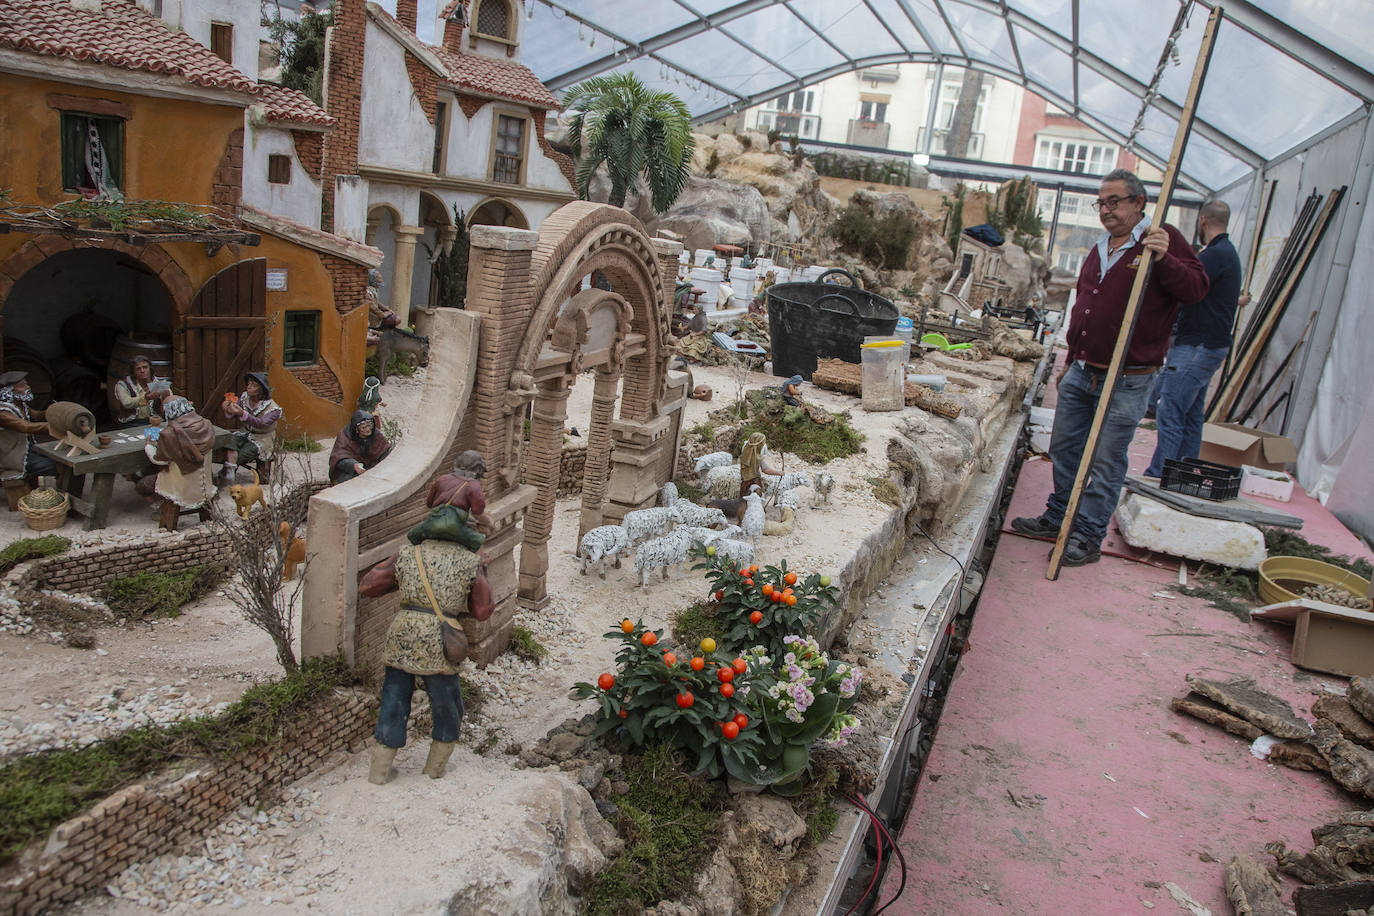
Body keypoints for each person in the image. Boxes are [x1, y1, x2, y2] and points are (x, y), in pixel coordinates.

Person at [1011, 169, 1209, 566]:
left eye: (1114, 201)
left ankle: (1086, 534)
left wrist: (1164, 257)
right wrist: (1070, 359)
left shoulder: (1160, 238)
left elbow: (1196, 289)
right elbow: (1085, 304)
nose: (1106, 210)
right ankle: (1060, 514)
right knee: (1065, 446)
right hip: (1084, 369)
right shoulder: (1101, 247)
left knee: (1106, 458)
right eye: (1100, 202)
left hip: (1127, 377)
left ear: (1138, 202)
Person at [359, 450, 494, 784]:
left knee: (393, 699)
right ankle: (434, 770)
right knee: (447, 703)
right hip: (440, 639)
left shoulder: (407, 554)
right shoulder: (469, 562)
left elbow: (369, 586)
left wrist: (405, 584)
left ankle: (379, 771)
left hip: (403, 633)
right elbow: (483, 610)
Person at [1144, 200, 1249, 477]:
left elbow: (1185, 284)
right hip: (1209, 345)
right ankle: (1182, 472)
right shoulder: (1227, 254)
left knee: (1171, 410)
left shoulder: (1214, 256)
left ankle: (1160, 473)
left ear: (1202, 220)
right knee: (1190, 414)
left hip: (1198, 345)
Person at [135, 396, 216, 511]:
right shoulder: (207, 424)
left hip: (181, 486)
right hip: (205, 483)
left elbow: (159, 460)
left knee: (141, 485)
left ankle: (159, 509)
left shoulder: (169, 434)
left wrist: (149, 446)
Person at [219, 371, 282, 485]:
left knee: (244, 453)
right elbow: (232, 414)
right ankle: (229, 473)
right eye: (248, 384)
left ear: (260, 390)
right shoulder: (244, 398)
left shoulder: (273, 409)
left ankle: (228, 473)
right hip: (244, 433)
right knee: (229, 441)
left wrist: (242, 413)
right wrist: (227, 409)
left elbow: (260, 423)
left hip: (262, 439)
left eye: (253, 385)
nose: (249, 387)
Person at [0, 371, 56, 485]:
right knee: (56, 465)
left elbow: (36, 415)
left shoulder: (20, 405)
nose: (28, 387)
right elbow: (24, 427)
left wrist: (54, 410)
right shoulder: (3, 412)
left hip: (27, 450)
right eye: (22, 385)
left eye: (26, 384)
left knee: (59, 458)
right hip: (13, 457)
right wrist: (52, 427)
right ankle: (60, 496)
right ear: (9, 391)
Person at [329, 410, 392, 483]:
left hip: (372, 469)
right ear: (357, 429)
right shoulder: (344, 437)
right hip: (351, 471)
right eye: (364, 427)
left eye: (369, 425)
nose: (368, 429)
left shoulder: (376, 435)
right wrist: (354, 465)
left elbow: (384, 451)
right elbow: (339, 456)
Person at [113, 356, 170, 425]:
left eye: (145, 367)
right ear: (133, 372)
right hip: (131, 423)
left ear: (150, 369)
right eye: (138, 369)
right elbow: (126, 403)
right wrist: (145, 398)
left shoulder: (158, 384)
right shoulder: (123, 385)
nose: (142, 371)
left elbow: (169, 402)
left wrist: (165, 398)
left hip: (154, 421)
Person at [738, 431, 782, 497]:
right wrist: (779, 473)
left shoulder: (744, 455)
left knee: (744, 500)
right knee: (757, 498)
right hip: (755, 482)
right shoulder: (757, 458)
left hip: (744, 483)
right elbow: (765, 470)